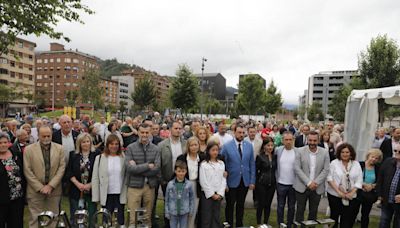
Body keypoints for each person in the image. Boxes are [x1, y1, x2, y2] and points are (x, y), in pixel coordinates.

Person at [24, 125, 66, 227]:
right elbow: (27, 170)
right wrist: (40, 187)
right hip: (35, 191)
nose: (46, 138)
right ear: (38, 135)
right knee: (35, 219)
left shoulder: (60, 148)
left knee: (53, 219)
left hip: (54, 190)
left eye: (48, 136)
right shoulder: (29, 149)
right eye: (43, 136)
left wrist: (51, 186)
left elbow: (61, 168)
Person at [125, 123, 161, 227]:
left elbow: (156, 168)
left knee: (147, 217)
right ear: (138, 133)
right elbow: (130, 168)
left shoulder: (155, 149)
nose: (144, 135)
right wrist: (147, 166)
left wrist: (137, 168)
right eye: (142, 132)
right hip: (134, 186)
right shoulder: (130, 148)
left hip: (149, 186)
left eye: (147, 132)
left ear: (150, 133)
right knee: (133, 217)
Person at [220, 123, 256, 227]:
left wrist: (252, 181)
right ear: (234, 132)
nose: (241, 134)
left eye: (243, 133)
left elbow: (251, 164)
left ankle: (239, 224)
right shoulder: (226, 146)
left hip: (244, 181)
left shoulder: (249, 146)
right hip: (231, 181)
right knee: (230, 205)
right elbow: (222, 165)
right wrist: (224, 183)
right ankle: (229, 224)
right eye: (239, 132)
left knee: (240, 205)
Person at [294, 131, 330, 224]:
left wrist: (315, 183)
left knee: (313, 212)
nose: (312, 143)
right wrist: (308, 183)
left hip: (317, 188)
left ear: (318, 141)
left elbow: (326, 169)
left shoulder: (325, 152)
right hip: (302, 186)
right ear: (307, 140)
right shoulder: (300, 151)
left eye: (314, 140)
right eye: (310, 140)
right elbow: (297, 168)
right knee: (299, 211)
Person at [92, 134, 127, 226]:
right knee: (106, 218)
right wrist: (96, 196)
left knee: (120, 218)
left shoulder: (123, 157)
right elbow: (95, 178)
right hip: (106, 193)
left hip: (120, 192)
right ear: (107, 145)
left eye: (116, 144)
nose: (114, 146)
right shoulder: (99, 158)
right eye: (111, 144)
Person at [66, 133, 99, 227]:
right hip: (76, 189)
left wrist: (90, 185)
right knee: (76, 215)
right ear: (79, 143)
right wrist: (78, 184)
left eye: (88, 141)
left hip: (91, 189)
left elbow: (99, 173)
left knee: (92, 215)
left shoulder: (97, 154)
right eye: (83, 142)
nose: (86, 144)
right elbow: (69, 172)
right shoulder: (73, 154)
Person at [327, 143, 363, 228]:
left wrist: (351, 193)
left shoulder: (356, 164)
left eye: (347, 152)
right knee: (334, 218)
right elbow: (329, 178)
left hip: (351, 196)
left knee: (347, 219)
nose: (345, 154)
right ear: (339, 153)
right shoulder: (334, 163)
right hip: (335, 195)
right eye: (342, 152)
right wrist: (339, 192)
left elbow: (359, 180)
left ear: (351, 153)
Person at [159, 121, 186, 227]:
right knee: (169, 205)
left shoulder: (186, 144)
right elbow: (159, 164)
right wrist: (162, 180)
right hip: (167, 179)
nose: (178, 130)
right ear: (170, 129)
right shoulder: (162, 145)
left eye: (180, 128)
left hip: (182, 180)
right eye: (176, 128)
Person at [176, 137, 205, 228]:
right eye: (191, 145)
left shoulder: (202, 157)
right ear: (188, 146)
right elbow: (176, 173)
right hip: (184, 186)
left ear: (199, 146)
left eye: (196, 145)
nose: (194, 147)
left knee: (193, 211)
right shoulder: (182, 158)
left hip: (196, 187)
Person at [199, 141, 226, 228]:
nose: (215, 152)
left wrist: (220, 193)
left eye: (216, 150)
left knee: (216, 217)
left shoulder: (221, 164)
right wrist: (211, 194)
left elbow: (223, 179)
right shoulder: (204, 164)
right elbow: (203, 181)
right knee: (206, 217)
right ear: (208, 151)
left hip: (218, 194)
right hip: (207, 195)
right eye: (213, 150)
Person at [0, 132, 24, 228]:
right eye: (0, 143)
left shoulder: (15, 153)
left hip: (17, 197)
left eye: (5, 142)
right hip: (2, 199)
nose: (3, 145)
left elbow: (22, 172)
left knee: (16, 223)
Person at [354, 149, 382, 228]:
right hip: (357, 192)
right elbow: (353, 177)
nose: (374, 159)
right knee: (353, 212)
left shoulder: (378, 168)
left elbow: (380, 181)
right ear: (368, 156)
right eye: (372, 157)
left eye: (376, 158)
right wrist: (362, 184)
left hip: (369, 195)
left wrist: (372, 186)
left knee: (365, 214)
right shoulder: (359, 164)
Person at [165, 160, 195, 228]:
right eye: (179, 171)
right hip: (173, 211)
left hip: (184, 211)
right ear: (175, 171)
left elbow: (191, 198)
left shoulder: (189, 184)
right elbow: (167, 199)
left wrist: (191, 210)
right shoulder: (170, 184)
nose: (181, 173)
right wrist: (167, 212)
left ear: (186, 171)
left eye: (183, 171)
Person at [275, 131, 296, 227]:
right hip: (281, 183)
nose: (288, 142)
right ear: (282, 140)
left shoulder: (298, 152)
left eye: (290, 140)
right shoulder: (278, 150)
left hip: (293, 185)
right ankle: (280, 224)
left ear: (293, 140)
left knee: (291, 207)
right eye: (286, 140)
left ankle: (289, 224)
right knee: (280, 206)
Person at [377, 143, 400, 228]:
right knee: (384, 222)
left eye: (399, 151)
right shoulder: (388, 162)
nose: (397, 152)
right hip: (386, 200)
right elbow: (380, 179)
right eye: (395, 150)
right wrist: (379, 195)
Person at [255, 137, 276, 225]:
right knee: (261, 204)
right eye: (268, 145)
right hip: (262, 184)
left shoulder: (275, 156)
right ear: (264, 146)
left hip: (272, 184)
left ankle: (265, 223)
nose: (270, 147)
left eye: (272, 145)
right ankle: (259, 223)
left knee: (268, 204)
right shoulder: (260, 157)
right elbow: (256, 170)